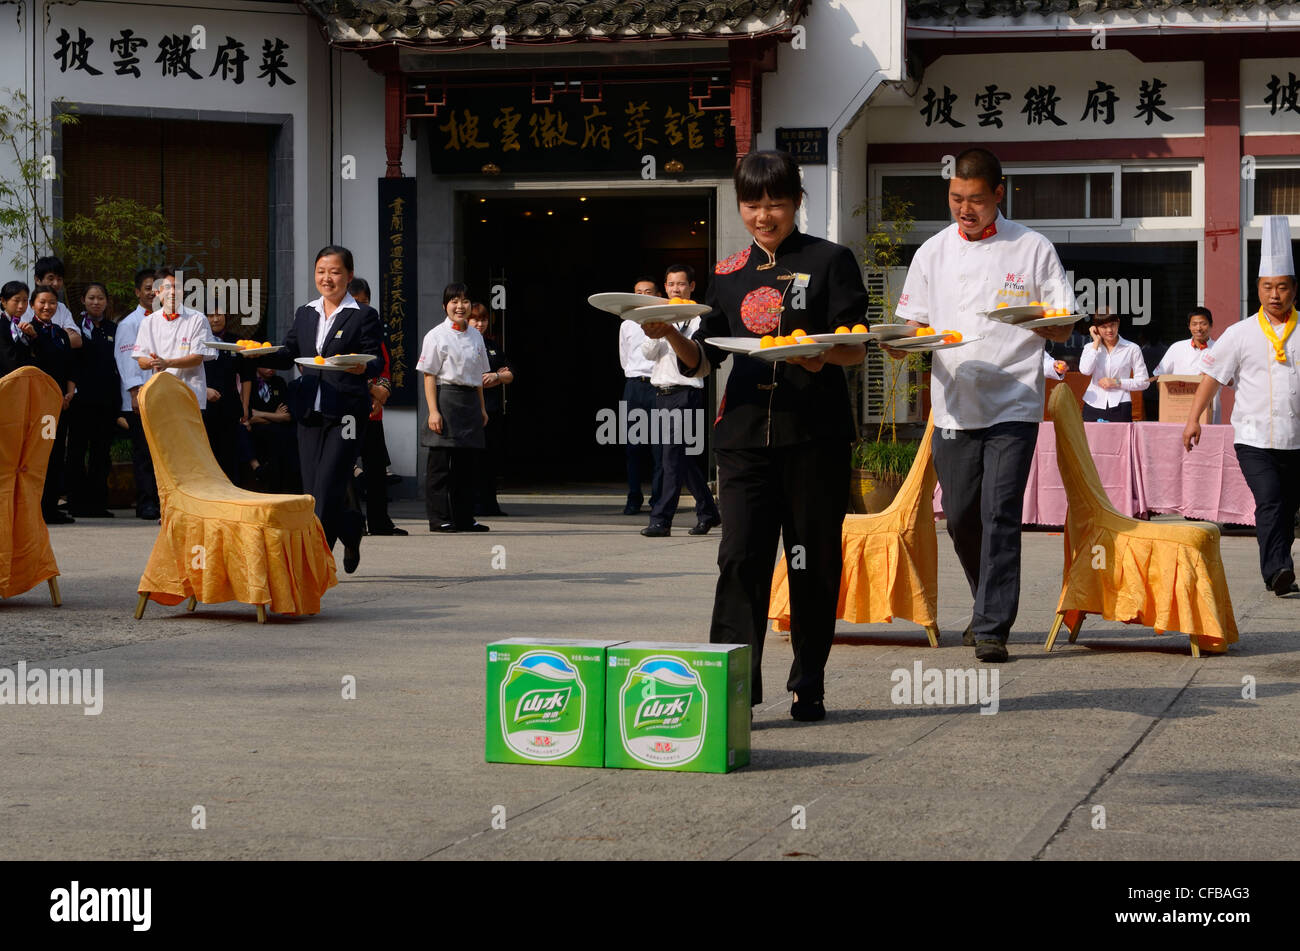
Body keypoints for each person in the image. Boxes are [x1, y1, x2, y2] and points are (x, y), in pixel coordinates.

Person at [644, 150, 868, 721]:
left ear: (796, 201)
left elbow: (854, 345)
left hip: (812, 435)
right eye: (752, 204)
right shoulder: (725, 273)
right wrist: (672, 334)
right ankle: (732, 688)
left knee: (809, 560)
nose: (764, 215)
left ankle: (808, 681)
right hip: (742, 437)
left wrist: (817, 356)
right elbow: (703, 361)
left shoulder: (831, 260)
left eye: (775, 203)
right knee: (739, 557)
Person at [890, 147, 1077, 663]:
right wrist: (897, 342)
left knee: (999, 512)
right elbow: (914, 326)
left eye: (975, 199)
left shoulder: (1032, 248)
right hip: (952, 402)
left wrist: (1041, 320)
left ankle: (994, 624)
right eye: (956, 198)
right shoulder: (933, 251)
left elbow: (1063, 321)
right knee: (961, 515)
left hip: (1015, 399)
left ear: (999, 193)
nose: (964, 209)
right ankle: (985, 600)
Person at [1184, 215, 1300, 597]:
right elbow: (1212, 379)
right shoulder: (1240, 333)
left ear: (1293, 290)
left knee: (1286, 507)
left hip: (1296, 438)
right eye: (1267, 287)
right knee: (1268, 499)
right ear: (1258, 288)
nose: (1274, 295)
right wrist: (1193, 419)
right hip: (1252, 437)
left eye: (1282, 287)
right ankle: (1279, 569)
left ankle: (1279, 562)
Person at [265, 246, 383, 573]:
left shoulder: (362, 315)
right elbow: (289, 352)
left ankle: (314, 563)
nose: (326, 278)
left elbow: (375, 358)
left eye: (334, 272)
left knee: (329, 485)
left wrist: (363, 368)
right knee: (311, 491)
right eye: (321, 271)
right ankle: (350, 525)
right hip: (310, 411)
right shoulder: (306, 312)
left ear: (348, 275)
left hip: (346, 413)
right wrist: (256, 355)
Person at [640, 264, 720, 537]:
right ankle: (709, 512)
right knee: (680, 459)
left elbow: (700, 355)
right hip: (660, 393)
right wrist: (656, 330)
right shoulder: (661, 316)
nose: (676, 288)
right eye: (671, 284)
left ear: (692, 287)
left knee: (671, 459)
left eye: (681, 284)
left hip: (686, 393)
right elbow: (648, 354)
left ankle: (661, 519)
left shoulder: (700, 319)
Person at [417, 283, 490, 533]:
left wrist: (481, 408)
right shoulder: (435, 335)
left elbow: (479, 376)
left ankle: (465, 518)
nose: (460, 306)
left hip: (470, 401)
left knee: (466, 467)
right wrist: (433, 411)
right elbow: (429, 376)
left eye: (465, 301)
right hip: (445, 399)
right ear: (445, 306)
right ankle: (439, 518)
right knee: (439, 467)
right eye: (454, 301)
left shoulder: (476, 335)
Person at [347, 278, 404, 536]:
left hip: (372, 411)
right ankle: (353, 522)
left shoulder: (375, 332)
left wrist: (380, 396)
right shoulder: (340, 331)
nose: (362, 310)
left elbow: (385, 368)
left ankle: (380, 521)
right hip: (347, 409)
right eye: (356, 304)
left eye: (365, 303)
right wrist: (370, 388)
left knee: (376, 468)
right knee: (345, 466)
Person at [16, 286, 77, 523]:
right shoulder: (26, 332)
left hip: (60, 406)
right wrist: (34, 337)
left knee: (55, 454)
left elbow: (69, 366)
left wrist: (69, 393)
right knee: (38, 456)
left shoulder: (61, 334)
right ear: (32, 305)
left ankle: (50, 506)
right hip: (39, 407)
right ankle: (37, 508)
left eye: (52, 303)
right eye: (42, 302)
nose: (47, 307)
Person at [65, 283, 121, 517]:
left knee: (101, 452)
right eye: (91, 298)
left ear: (107, 301)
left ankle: (98, 503)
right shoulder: (74, 329)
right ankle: (76, 502)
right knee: (77, 452)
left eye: (100, 298)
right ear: (84, 301)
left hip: (106, 401)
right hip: (80, 402)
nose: (96, 302)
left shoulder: (115, 329)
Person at [133, 266, 216, 411]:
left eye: (177, 287)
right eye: (167, 287)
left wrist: (167, 362)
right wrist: (155, 362)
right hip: (159, 396)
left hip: (190, 395)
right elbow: (141, 360)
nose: (172, 292)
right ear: (157, 292)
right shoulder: (148, 322)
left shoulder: (197, 319)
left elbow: (197, 358)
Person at [115, 269, 160, 520]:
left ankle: (161, 500)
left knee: (161, 454)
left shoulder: (166, 319)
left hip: (163, 397)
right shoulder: (129, 324)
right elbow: (126, 360)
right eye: (147, 288)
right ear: (137, 292)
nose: (152, 292)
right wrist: (134, 393)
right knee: (143, 453)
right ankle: (146, 503)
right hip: (140, 397)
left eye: (157, 288)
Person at [619, 277, 663, 515]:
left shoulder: (665, 319)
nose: (643, 295)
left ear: (656, 294)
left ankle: (658, 499)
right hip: (635, 386)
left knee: (659, 448)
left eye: (648, 292)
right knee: (633, 446)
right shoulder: (627, 322)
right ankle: (633, 497)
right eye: (638, 292)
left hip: (658, 384)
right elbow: (624, 357)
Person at [469, 302, 513, 518]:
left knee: (491, 458)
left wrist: (497, 376)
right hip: (472, 410)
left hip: (493, 409)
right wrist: (493, 377)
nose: (480, 323)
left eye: (483, 319)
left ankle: (490, 504)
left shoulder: (492, 345)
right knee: (473, 459)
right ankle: (473, 504)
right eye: (475, 319)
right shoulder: (465, 343)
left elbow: (509, 373)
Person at [1078, 312, 1149, 422]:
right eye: (1104, 327)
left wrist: (1116, 382)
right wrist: (1096, 343)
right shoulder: (1090, 348)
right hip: (1093, 404)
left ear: (1118, 323)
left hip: (1120, 405)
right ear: (1096, 328)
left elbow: (1144, 382)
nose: (1109, 330)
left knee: (1120, 439)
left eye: (1112, 325)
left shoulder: (1132, 348)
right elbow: (1085, 370)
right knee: (1090, 439)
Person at [1153, 307, 1220, 422]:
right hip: (1178, 410)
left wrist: (1212, 376)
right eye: (1194, 324)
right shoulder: (1177, 348)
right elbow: (1159, 377)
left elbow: (1231, 379)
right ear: (1189, 326)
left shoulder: (1219, 349)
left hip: (1209, 409)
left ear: (1211, 325)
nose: (1198, 328)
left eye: (1203, 324)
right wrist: (1169, 399)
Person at [202, 310, 246, 483]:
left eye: (219, 314)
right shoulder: (199, 341)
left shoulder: (237, 341)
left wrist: (245, 406)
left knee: (230, 454)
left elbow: (246, 375)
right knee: (209, 453)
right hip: (205, 406)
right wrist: (203, 390)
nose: (215, 319)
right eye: (210, 315)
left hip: (231, 406)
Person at [13, 256, 82, 349]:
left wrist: (40, 338)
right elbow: (24, 341)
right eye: (51, 278)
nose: (56, 283)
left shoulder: (61, 308)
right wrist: (60, 338)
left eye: (59, 279)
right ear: (37, 280)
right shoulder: (23, 308)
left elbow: (77, 341)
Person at [1, 281, 32, 375]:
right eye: (16, 300)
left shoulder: (23, 326)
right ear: (3, 301)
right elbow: (9, 360)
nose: (21, 306)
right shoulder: (2, 326)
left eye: (25, 300)